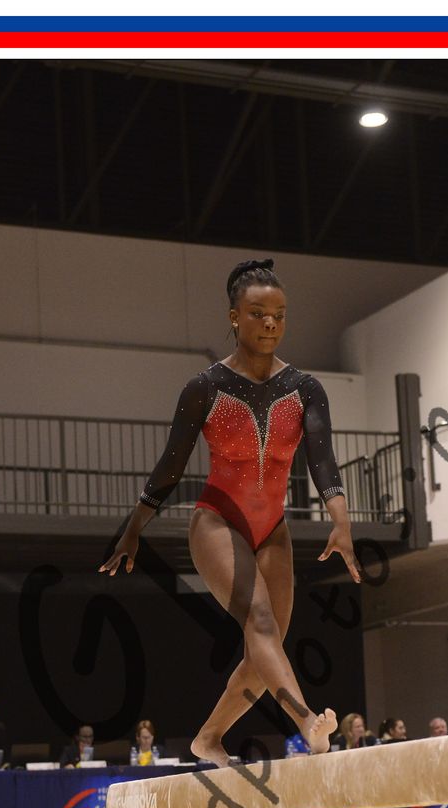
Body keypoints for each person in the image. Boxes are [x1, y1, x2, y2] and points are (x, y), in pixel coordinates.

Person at [99, 259, 360, 768]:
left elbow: (322, 459)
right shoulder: (206, 387)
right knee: (259, 622)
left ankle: (209, 739)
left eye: (279, 314)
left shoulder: (306, 388)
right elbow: (170, 465)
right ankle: (306, 721)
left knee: (265, 650)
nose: (270, 323)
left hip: (273, 529)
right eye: (258, 313)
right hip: (217, 522)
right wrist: (133, 530)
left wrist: (341, 521)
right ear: (234, 316)